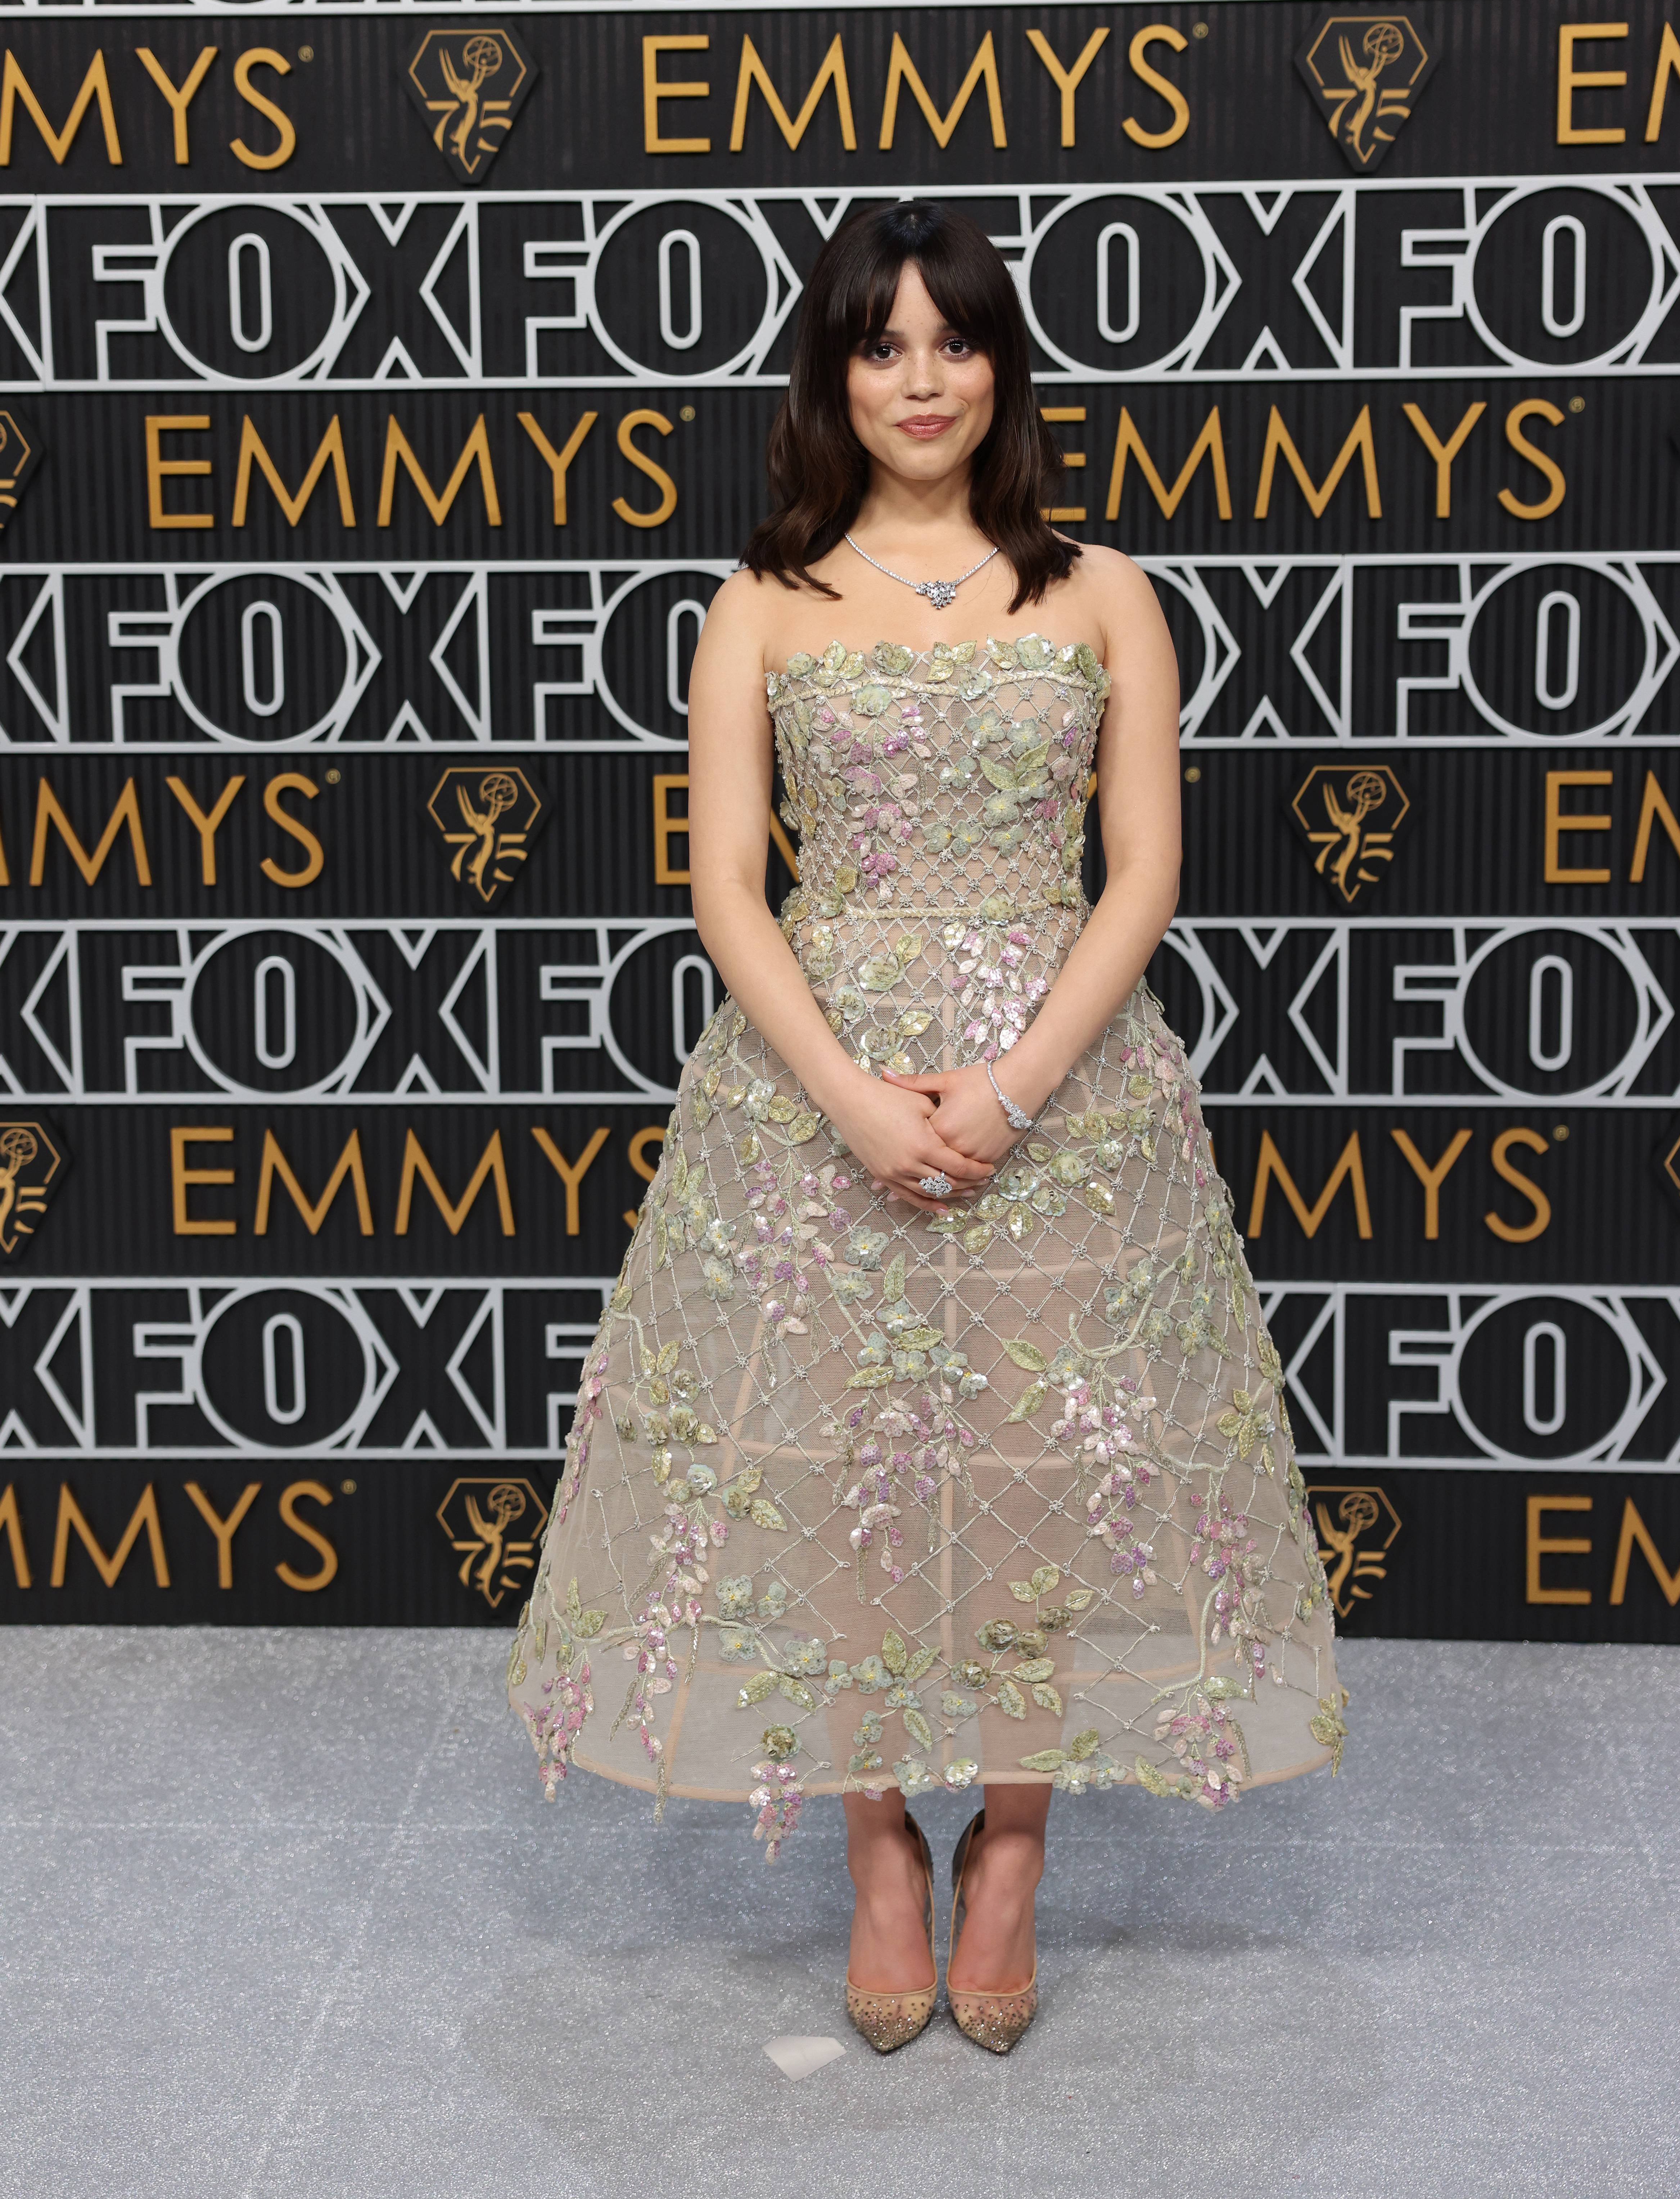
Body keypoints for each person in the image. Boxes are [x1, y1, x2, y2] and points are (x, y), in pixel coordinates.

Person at [507, 202, 1345, 2054]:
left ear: (1000, 371)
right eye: (884, 346)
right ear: (834, 376)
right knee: (847, 1473)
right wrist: (850, 1098)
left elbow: (1144, 879)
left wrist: (1017, 1086)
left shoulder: (1104, 589)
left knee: (1048, 1469)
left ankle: (1018, 1848)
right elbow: (731, 890)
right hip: (821, 1097)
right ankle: (882, 1846)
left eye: (954, 343)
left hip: (1069, 1096)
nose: (921, 380)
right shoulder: (763, 602)